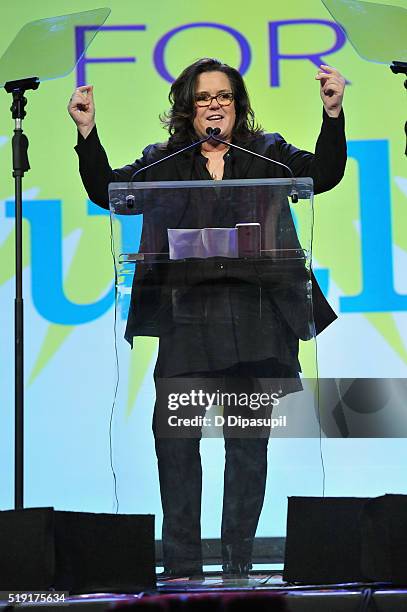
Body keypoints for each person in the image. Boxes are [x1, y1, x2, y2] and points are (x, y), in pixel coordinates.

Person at [68, 58, 346, 578]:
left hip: (259, 324)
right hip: (187, 323)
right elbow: (111, 191)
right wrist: (88, 132)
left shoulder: (265, 153)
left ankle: (239, 566)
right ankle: (182, 570)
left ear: (238, 106)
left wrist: (332, 112)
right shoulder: (165, 161)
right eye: (203, 98)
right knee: (176, 450)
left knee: (247, 452)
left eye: (223, 97)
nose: (214, 106)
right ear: (187, 108)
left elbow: (323, 175)